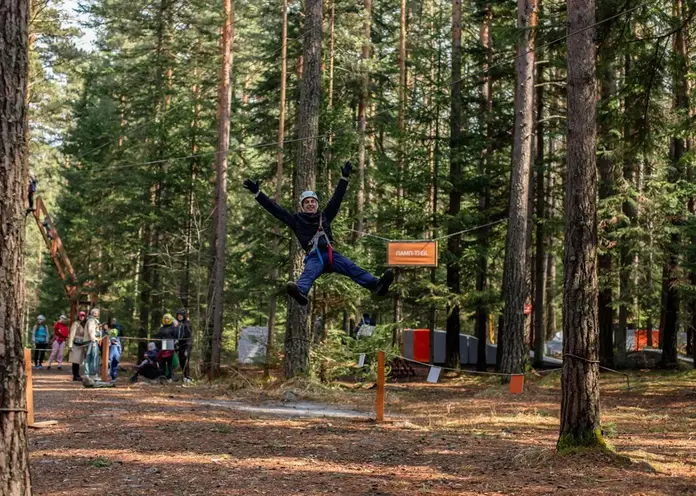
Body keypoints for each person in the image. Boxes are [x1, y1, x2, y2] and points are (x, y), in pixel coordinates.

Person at [243, 162, 393, 306]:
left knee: (352, 267)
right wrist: (258, 193)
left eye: (312, 202)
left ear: (316, 204)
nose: (310, 204)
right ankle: (300, 292)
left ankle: (376, 285)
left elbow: (336, 199)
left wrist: (344, 179)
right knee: (309, 272)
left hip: (331, 255)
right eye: (306, 202)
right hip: (315, 257)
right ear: (302, 206)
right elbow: (275, 209)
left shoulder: (325, 216)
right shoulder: (296, 220)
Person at [82, 308, 101, 385]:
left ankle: (88, 374)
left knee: (90, 357)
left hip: (93, 340)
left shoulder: (93, 320)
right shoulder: (91, 320)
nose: (97, 314)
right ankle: (92, 374)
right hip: (92, 341)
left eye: (97, 313)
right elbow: (91, 331)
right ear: (93, 313)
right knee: (93, 357)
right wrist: (93, 340)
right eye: (96, 313)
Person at [155, 313, 176, 379]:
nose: (166, 320)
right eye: (165, 318)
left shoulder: (173, 328)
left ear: (170, 319)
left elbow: (175, 337)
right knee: (162, 362)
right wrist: (157, 340)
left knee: (169, 362)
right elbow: (158, 336)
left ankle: (170, 376)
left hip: (170, 345)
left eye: (168, 318)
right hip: (162, 346)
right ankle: (162, 375)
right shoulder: (161, 328)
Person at [68, 311, 87, 381]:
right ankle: (75, 375)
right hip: (75, 344)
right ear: (78, 316)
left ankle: (77, 374)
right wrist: (70, 345)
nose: (82, 317)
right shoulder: (75, 323)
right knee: (75, 360)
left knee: (79, 360)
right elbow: (72, 334)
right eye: (81, 316)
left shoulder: (85, 324)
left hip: (82, 344)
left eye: (83, 316)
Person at [175, 309, 193, 384]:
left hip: (187, 344)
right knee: (181, 361)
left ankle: (187, 377)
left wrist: (180, 339)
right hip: (180, 345)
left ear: (184, 316)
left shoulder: (187, 323)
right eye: (178, 315)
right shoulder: (176, 324)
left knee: (186, 360)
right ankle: (184, 376)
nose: (179, 316)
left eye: (181, 315)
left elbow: (187, 334)